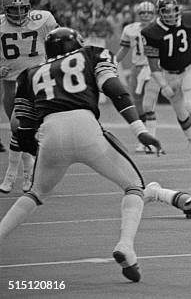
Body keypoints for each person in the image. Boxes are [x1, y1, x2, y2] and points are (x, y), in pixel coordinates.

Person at [0, 27, 163, 282]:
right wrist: (139, 129)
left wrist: (39, 152)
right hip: (85, 124)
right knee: (134, 187)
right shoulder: (91, 54)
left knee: (35, 194)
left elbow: (23, 126)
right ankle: (126, 246)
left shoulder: (30, 73)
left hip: (50, 130)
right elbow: (114, 89)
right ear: (76, 43)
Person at [142, 0, 191, 163]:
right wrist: (163, 84)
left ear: (178, 9)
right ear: (159, 13)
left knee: (190, 105)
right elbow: (153, 65)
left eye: (173, 10)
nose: (170, 14)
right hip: (168, 74)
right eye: (166, 11)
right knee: (181, 112)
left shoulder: (189, 19)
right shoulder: (151, 32)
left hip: (188, 69)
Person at [0, 0, 58, 193]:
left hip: (36, 80)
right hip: (11, 82)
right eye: (13, 10)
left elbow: (58, 43)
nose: (18, 14)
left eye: (21, 9)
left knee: (20, 124)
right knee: (18, 130)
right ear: (5, 9)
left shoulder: (43, 19)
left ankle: (14, 175)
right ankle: (27, 173)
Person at [115, 1, 160, 153]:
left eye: (149, 13)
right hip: (137, 68)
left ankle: (151, 141)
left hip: (153, 68)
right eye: (142, 13)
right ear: (137, 15)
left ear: (154, 14)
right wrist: (113, 63)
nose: (146, 15)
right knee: (137, 105)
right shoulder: (130, 29)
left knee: (148, 105)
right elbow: (124, 49)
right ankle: (145, 140)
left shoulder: (160, 28)